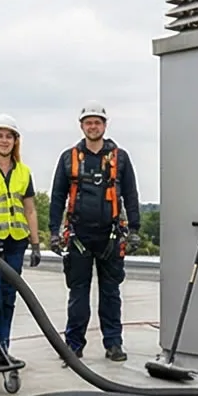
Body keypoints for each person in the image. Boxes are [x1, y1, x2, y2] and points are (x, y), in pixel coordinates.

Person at [48, 103, 142, 362]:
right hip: (79, 236)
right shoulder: (69, 158)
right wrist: (54, 232)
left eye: (97, 122)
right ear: (82, 126)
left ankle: (113, 343)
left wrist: (134, 229)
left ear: (104, 125)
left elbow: (131, 195)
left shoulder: (120, 158)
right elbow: (57, 197)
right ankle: (73, 345)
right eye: (88, 122)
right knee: (78, 294)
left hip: (110, 237)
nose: (93, 126)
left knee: (111, 294)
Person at [0, 114, 42, 366]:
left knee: (9, 297)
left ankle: (3, 348)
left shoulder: (24, 172)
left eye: (9, 136)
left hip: (16, 241)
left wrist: (35, 243)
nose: (4, 141)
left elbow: (30, 209)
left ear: (16, 141)